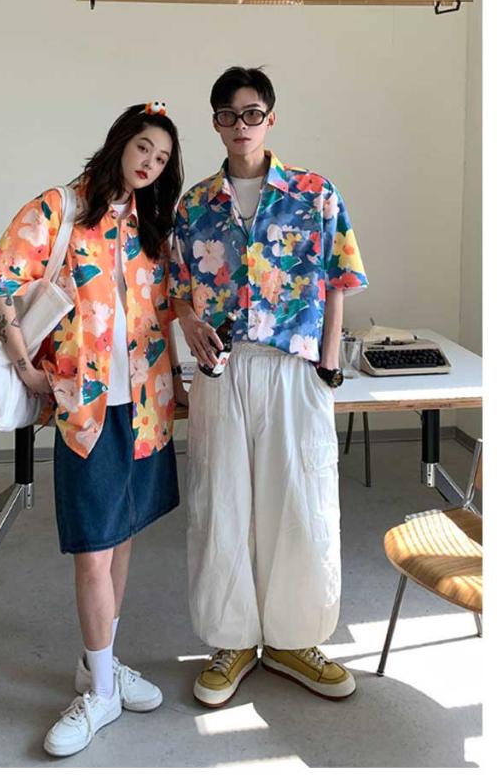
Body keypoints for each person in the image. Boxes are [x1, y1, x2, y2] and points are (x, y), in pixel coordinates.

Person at [0, 103, 188, 757]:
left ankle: (101, 665)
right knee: (95, 547)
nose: (150, 163)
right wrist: (24, 365)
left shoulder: (150, 225)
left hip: (145, 405)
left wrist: (179, 381)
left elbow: (162, 310)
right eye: (144, 147)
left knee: (121, 539)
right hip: (85, 409)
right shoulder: (60, 209)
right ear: (120, 141)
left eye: (162, 158)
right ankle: (101, 693)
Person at [169, 67, 368, 707]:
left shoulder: (314, 193)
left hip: (294, 366)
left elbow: (339, 278)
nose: (241, 125)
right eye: (228, 115)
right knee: (221, 503)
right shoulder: (195, 204)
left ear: (270, 118)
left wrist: (328, 361)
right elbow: (176, 287)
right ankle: (230, 641)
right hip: (221, 369)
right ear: (216, 123)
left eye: (251, 113)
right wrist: (189, 322)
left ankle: (295, 640)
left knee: (300, 501)